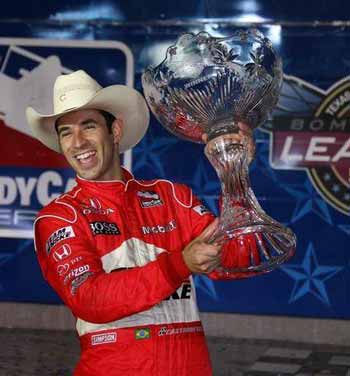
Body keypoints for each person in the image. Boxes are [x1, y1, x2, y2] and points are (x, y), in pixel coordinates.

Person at [26, 70, 254, 376]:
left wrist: (233, 172)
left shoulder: (172, 197)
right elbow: (90, 299)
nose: (77, 142)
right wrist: (180, 264)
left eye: (89, 126)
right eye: (66, 132)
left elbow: (238, 258)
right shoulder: (59, 218)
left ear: (115, 130)